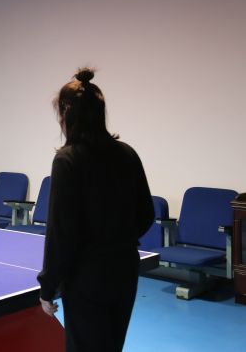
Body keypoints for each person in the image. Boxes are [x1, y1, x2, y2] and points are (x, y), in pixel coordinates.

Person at [37, 68, 154, 352]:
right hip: (125, 270)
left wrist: (48, 287)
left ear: (66, 114)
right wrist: (118, 240)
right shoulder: (127, 153)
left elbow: (61, 233)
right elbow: (147, 213)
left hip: (86, 277)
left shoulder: (67, 160)